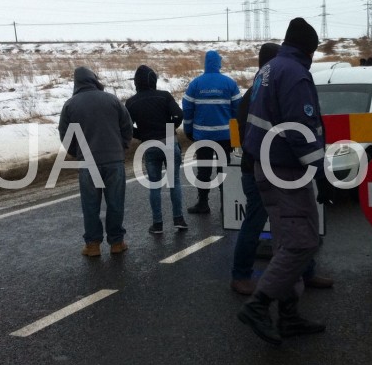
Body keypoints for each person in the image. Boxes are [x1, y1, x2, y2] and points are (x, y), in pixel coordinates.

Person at [237, 17, 333, 345]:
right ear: (308, 49)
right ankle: (259, 305)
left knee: (286, 241)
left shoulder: (269, 69)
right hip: (285, 170)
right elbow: (300, 130)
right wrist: (321, 173)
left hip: (265, 165)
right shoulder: (294, 74)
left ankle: (289, 315)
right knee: (301, 242)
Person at [58, 66, 133, 256]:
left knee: (90, 205)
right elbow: (127, 125)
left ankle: (93, 245)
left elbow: (65, 134)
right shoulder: (111, 99)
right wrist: (122, 145)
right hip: (114, 159)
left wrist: (77, 152)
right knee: (115, 202)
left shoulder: (70, 105)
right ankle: (117, 242)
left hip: (87, 162)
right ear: (93, 79)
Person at [125, 64, 188, 234]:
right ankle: (178, 219)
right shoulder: (164, 96)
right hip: (169, 142)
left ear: (136, 82)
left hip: (149, 144)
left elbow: (126, 126)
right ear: (153, 80)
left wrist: (141, 135)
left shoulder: (131, 102)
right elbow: (179, 115)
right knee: (174, 182)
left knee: (154, 185)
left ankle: (158, 223)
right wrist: (169, 129)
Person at [182, 50, 242, 214]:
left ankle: (203, 203)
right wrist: (236, 135)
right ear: (219, 64)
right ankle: (226, 205)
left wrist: (188, 130)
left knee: (203, 170)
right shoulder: (229, 83)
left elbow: (187, 109)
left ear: (205, 63)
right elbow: (238, 110)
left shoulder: (196, 84)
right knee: (224, 169)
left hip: (203, 136)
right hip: (225, 137)